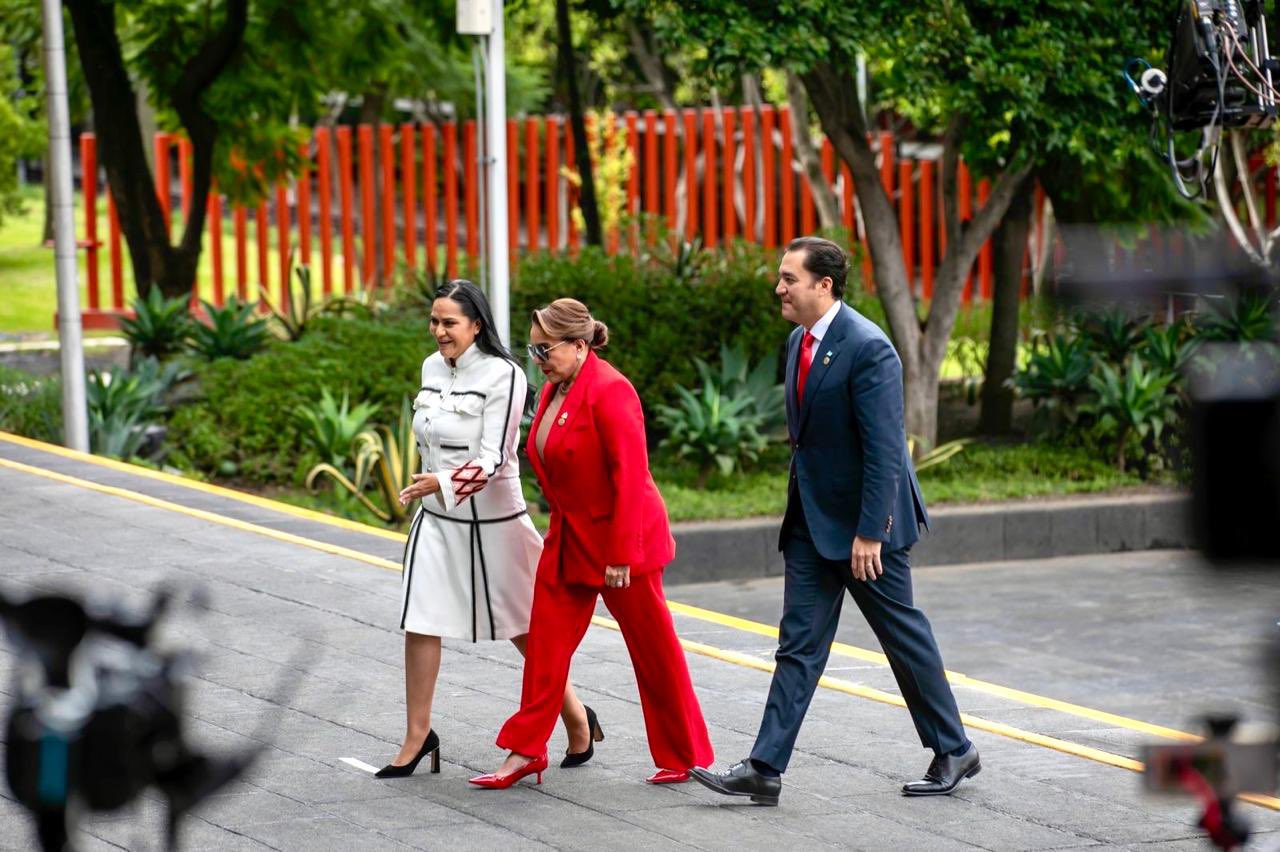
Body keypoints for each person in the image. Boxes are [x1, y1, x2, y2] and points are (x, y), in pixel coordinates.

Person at [688, 237, 978, 806]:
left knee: (902, 638)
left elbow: (885, 449)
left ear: (824, 285)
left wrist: (870, 530)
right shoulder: (800, 339)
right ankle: (764, 768)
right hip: (812, 522)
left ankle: (954, 748)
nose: (779, 288)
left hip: (866, 530)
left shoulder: (869, 348)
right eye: (780, 277)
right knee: (798, 645)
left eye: (789, 278)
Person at [469, 299, 714, 789]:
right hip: (569, 538)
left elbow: (631, 476)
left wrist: (622, 552)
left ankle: (686, 755)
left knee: (654, 651)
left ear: (580, 346)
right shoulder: (555, 388)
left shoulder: (612, 390)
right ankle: (526, 751)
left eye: (545, 347)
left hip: (621, 545)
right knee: (545, 648)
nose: (537, 356)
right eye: (532, 347)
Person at [375, 281, 598, 778]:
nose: (438, 332)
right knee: (421, 621)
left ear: (477, 324)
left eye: (449, 322)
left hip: (496, 525)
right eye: (434, 321)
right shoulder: (431, 368)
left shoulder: (506, 375)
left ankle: (578, 719)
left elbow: (496, 458)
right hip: (438, 520)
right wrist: (432, 486)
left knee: (526, 632)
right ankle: (417, 736)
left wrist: (442, 480)